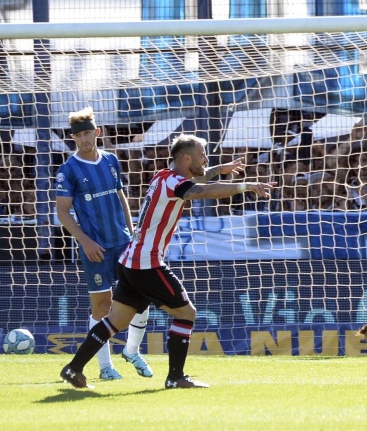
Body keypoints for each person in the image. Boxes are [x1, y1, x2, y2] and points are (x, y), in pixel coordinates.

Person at [60, 134, 274, 389]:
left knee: (115, 321)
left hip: (131, 260)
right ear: (186, 158)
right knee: (187, 313)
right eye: (202, 155)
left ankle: (73, 368)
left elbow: (196, 180)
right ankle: (175, 377)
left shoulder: (165, 176)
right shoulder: (175, 182)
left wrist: (220, 170)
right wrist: (245, 186)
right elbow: (201, 190)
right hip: (146, 263)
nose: (205, 159)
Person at [55, 107, 152, 381]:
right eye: (79, 135)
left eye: (88, 132)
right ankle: (105, 367)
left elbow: (122, 198)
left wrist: (132, 234)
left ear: (97, 132)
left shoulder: (111, 160)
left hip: (123, 243)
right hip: (95, 249)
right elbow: (63, 211)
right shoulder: (68, 170)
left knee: (141, 300)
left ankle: (132, 351)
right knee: (102, 307)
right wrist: (84, 241)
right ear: (73, 138)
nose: (84, 138)